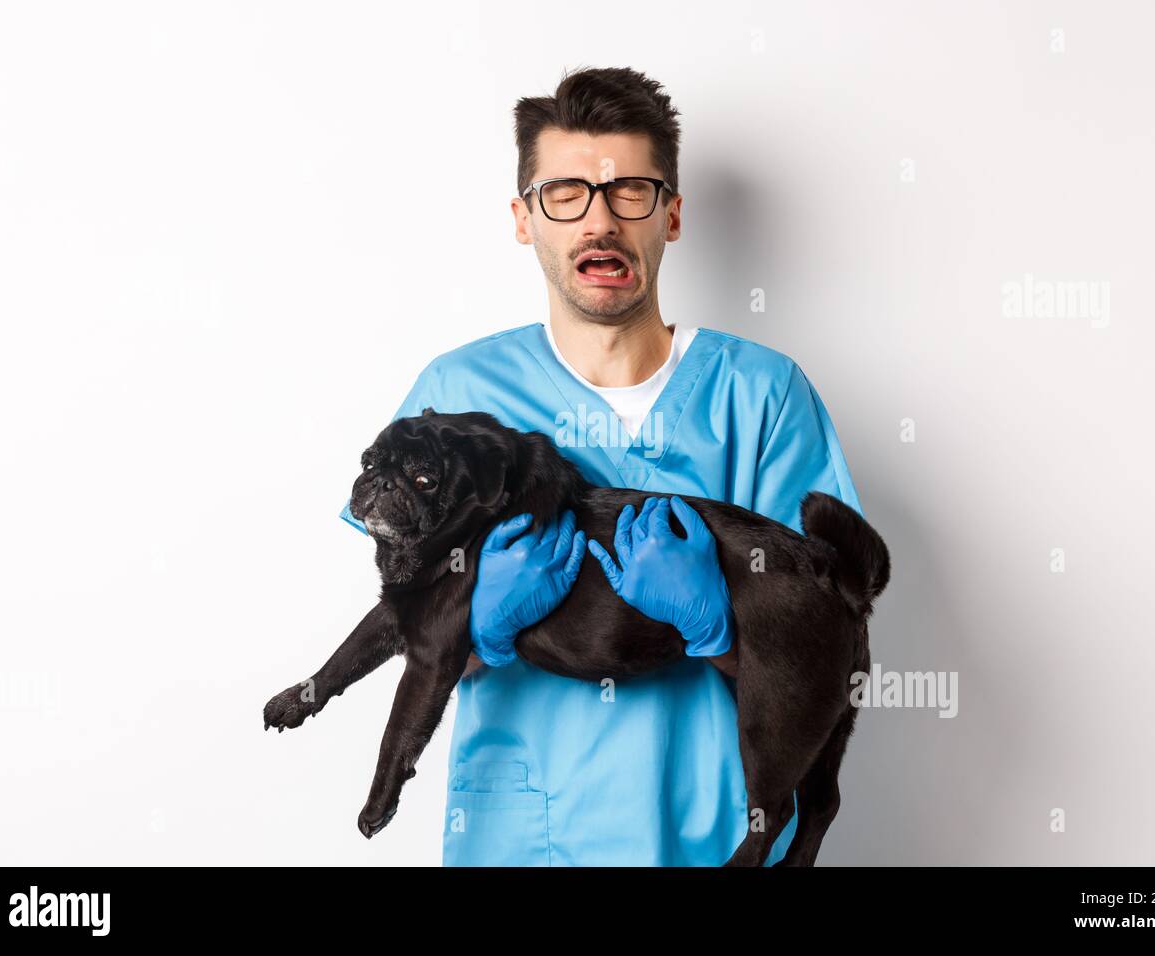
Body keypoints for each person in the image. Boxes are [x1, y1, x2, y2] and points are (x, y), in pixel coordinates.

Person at [340, 66, 864, 866]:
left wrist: (718, 629)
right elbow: (410, 620)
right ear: (524, 218)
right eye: (566, 194)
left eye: (630, 193)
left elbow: (827, 641)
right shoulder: (455, 395)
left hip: (717, 834)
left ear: (672, 214)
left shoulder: (762, 395)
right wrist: (484, 626)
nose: (600, 220)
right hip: (522, 839)